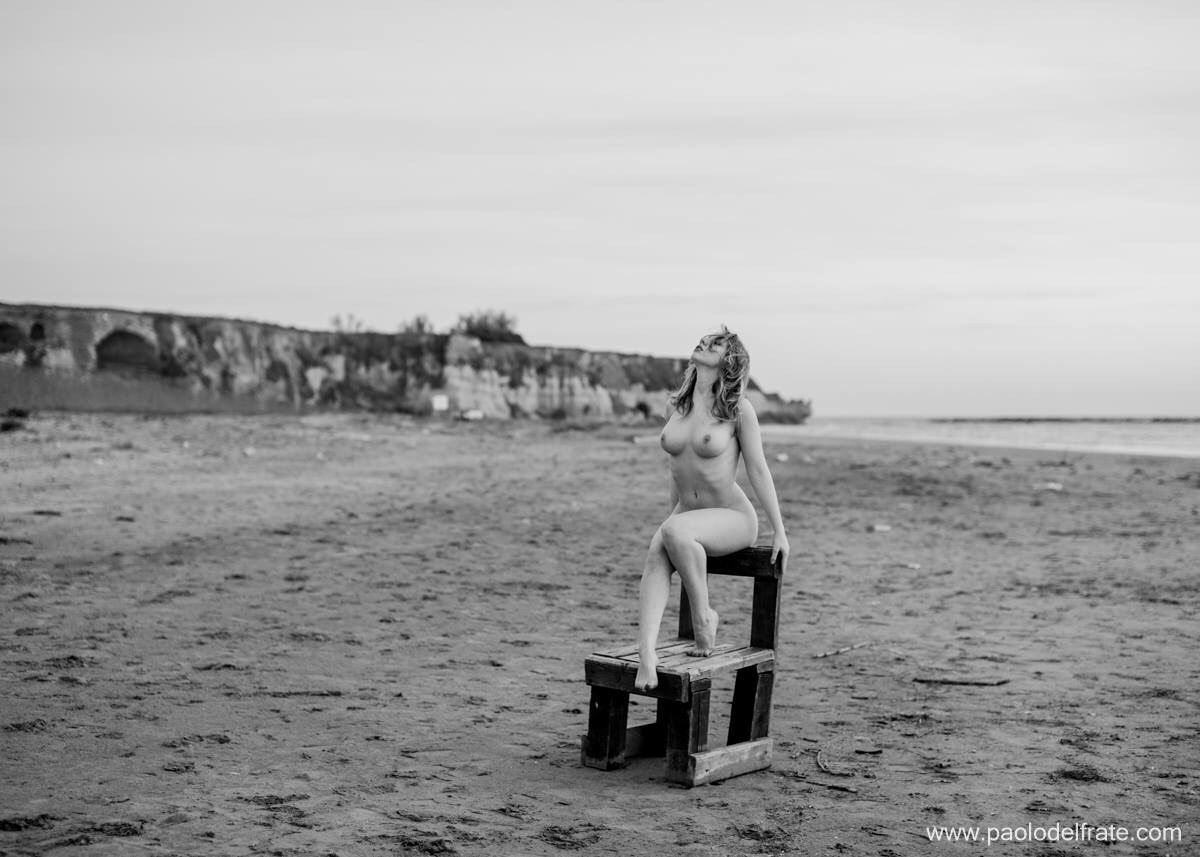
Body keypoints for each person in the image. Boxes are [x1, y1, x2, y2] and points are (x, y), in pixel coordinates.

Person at [634, 326, 790, 691]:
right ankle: (646, 655)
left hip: (732, 517)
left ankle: (704, 618)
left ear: (729, 360)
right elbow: (676, 469)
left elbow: (758, 469)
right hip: (687, 515)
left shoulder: (738, 410)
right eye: (704, 339)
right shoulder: (676, 405)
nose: (704, 342)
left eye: (716, 343)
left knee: (674, 532)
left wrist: (779, 530)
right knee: (657, 550)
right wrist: (671, 516)